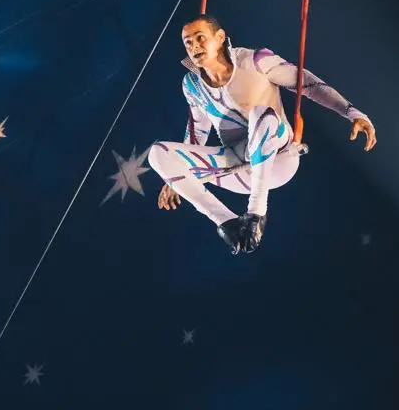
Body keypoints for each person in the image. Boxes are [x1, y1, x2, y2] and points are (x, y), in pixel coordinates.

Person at [146, 15, 377, 255]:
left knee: (261, 114)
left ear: (220, 37)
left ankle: (256, 214)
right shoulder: (192, 84)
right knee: (157, 153)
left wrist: (352, 113)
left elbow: (307, 84)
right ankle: (227, 223)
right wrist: (175, 177)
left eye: (200, 38)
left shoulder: (255, 61)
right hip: (238, 169)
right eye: (188, 42)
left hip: (278, 160)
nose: (194, 46)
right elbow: (197, 134)